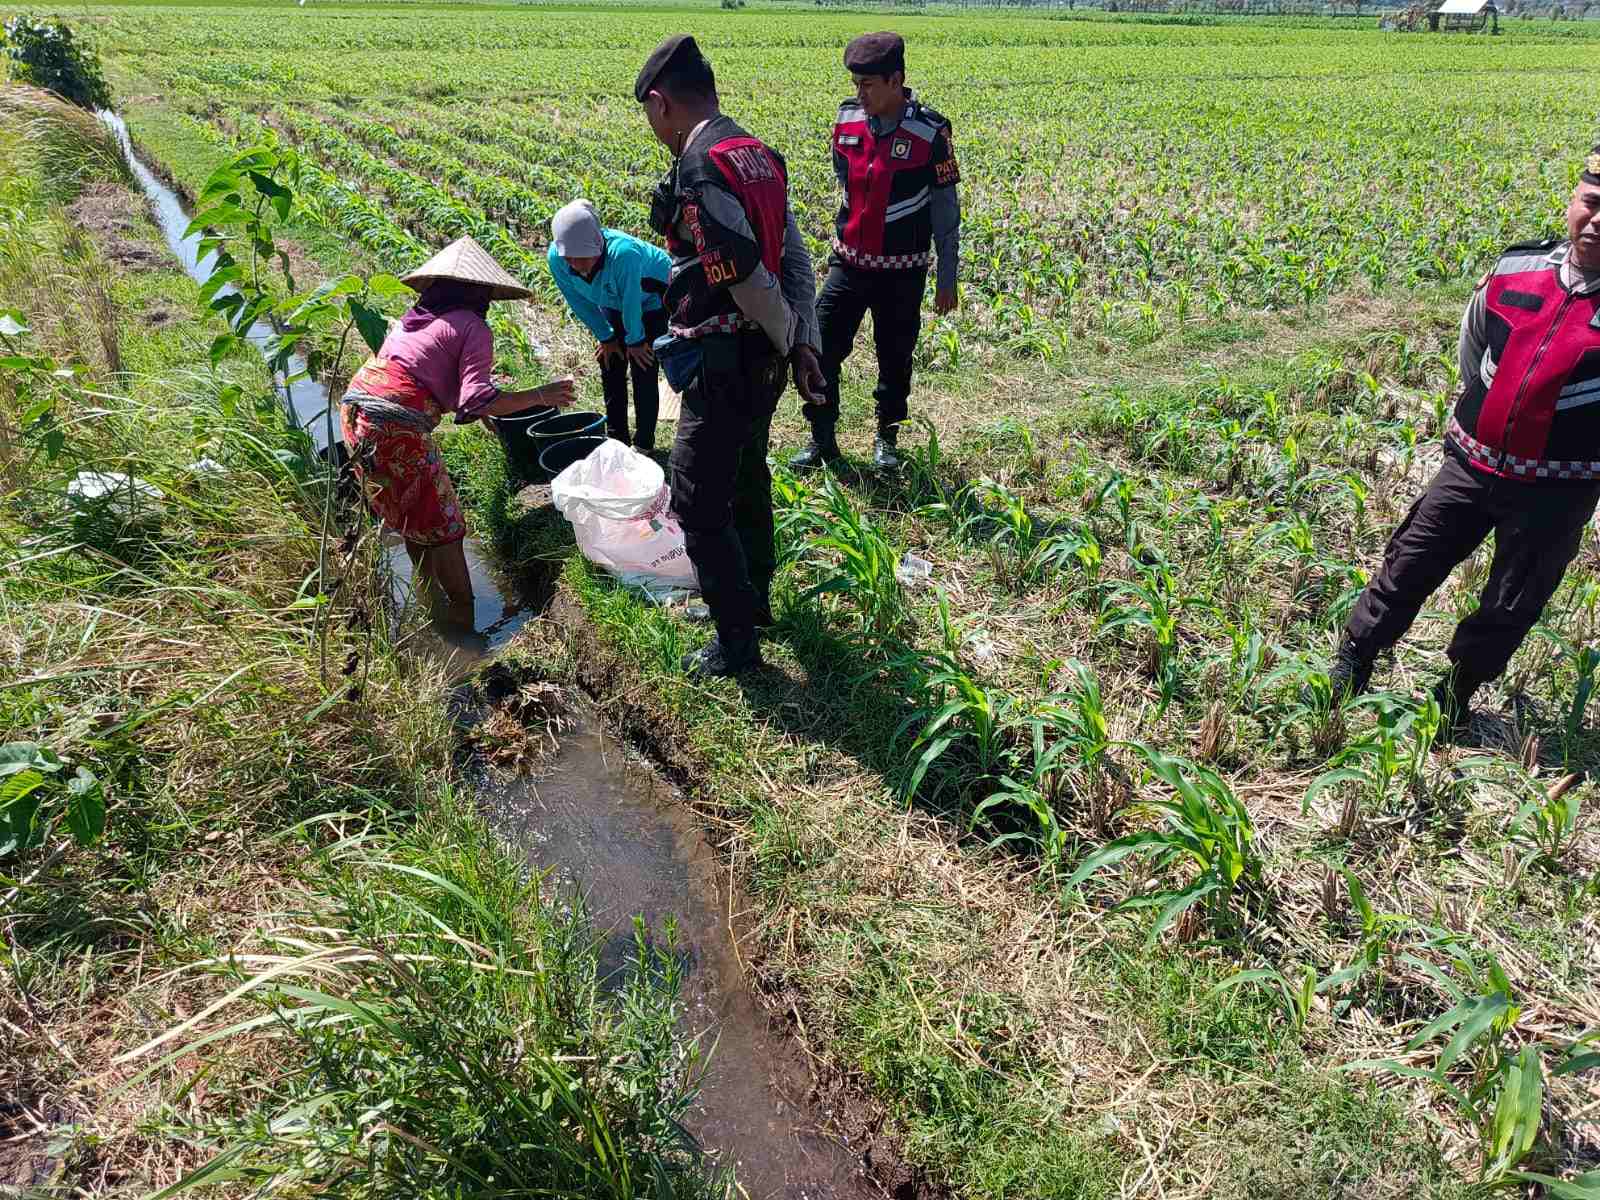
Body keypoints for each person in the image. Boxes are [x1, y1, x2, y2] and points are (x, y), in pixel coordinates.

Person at [1325, 144, 1600, 735]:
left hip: (1558, 492)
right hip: (1471, 467)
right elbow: (1473, 346)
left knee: (1512, 599)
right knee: (1408, 562)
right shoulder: (1516, 268)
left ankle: (1457, 690)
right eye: (1592, 202)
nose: (1597, 220)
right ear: (1573, 201)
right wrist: (1481, 417)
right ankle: (1353, 662)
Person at [634, 33, 826, 678]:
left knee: (696, 500)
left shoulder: (701, 167)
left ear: (661, 102)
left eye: (649, 115)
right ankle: (754, 602)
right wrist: (801, 340)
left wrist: (788, 336)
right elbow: (794, 256)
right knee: (746, 473)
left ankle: (736, 644)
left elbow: (744, 275)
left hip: (727, 361)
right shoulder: (757, 154)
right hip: (762, 360)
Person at [341, 235, 574, 628]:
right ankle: (465, 624)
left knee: (413, 517)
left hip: (356, 414)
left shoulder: (418, 317)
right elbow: (477, 397)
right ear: (480, 292)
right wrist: (541, 395)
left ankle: (430, 603)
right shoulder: (473, 326)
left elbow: (436, 376)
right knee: (447, 526)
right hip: (395, 425)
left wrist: (480, 404)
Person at [790, 31, 961, 473]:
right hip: (848, 263)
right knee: (821, 348)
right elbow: (843, 178)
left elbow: (946, 209)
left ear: (896, 81)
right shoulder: (847, 118)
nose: (859, 94)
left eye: (867, 85)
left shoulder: (931, 132)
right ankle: (821, 438)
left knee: (895, 358)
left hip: (902, 272)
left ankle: (887, 440)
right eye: (855, 84)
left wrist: (947, 276)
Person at [546, 198, 673, 452]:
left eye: (583, 258)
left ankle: (643, 443)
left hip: (652, 296)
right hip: (612, 298)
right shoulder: (557, 258)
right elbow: (578, 301)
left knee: (643, 365)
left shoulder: (623, 254)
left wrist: (636, 340)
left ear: (597, 245)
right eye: (570, 258)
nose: (577, 266)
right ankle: (617, 438)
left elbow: (631, 301)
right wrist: (606, 336)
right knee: (610, 360)